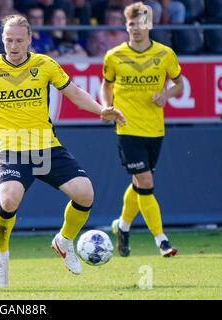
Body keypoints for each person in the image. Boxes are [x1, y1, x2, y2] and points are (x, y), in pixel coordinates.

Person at [0, 14, 125, 288]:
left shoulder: (45, 64)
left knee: (85, 193)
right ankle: (2, 256)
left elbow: (74, 93)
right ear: (2, 40)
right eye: (8, 40)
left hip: (46, 146)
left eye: (18, 40)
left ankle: (64, 240)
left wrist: (102, 110)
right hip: (12, 150)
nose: (13, 46)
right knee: (9, 200)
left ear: (30, 39)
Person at [100, 2, 183, 258]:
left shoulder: (165, 54)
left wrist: (166, 94)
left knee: (139, 184)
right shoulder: (114, 56)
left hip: (155, 129)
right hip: (127, 128)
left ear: (150, 25)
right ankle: (162, 240)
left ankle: (122, 227)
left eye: (141, 23)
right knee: (146, 182)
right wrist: (107, 106)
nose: (136, 28)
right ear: (126, 26)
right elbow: (106, 85)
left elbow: (179, 84)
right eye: (131, 24)